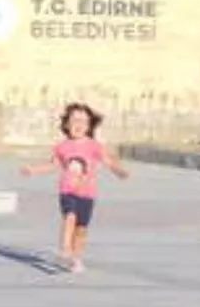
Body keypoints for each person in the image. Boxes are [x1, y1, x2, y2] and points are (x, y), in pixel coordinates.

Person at [20, 102, 129, 273]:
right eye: (74, 121)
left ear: (89, 126)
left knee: (81, 229)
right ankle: (64, 250)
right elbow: (52, 165)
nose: (78, 125)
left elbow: (107, 161)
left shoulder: (93, 146)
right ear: (66, 124)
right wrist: (33, 170)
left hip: (87, 193)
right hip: (67, 191)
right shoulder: (61, 147)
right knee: (69, 216)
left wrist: (119, 171)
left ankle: (75, 258)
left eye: (83, 122)